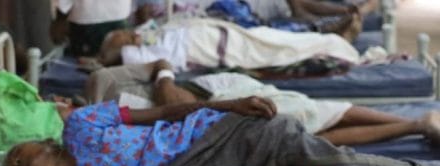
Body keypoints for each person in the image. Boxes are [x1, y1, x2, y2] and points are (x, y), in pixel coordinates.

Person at [2, 83, 440, 166]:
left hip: (219, 133)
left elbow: (161, 113)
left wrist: (231, 103)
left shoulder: (80, 123)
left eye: (22, 157)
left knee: (339, 165)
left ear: (42, 141)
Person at [84, 60, 440, 146]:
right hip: (199, 123)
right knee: (300, 136)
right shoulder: (94, 126)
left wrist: (163, 83)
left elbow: (163, 70)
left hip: (215, 95)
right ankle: (414, 124)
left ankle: (418, 122)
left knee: (304, 111)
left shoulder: (103, 81)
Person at [95, 16, 360, 69]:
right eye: (125, 38)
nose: (130, 34)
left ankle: (330, 41)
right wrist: (106, 58)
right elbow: (118, 58)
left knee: (282, 39)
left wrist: (140, 36)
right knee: (282, 49)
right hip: (217, 47)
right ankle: (332, 44)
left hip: (220, 32)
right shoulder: (138, 55)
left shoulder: (147, 36)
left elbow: (151, 28)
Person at [51, 0, 134, 56]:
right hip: (120, 20)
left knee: (83, 68)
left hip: (88, 23)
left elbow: (63, 6)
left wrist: (59, 22)